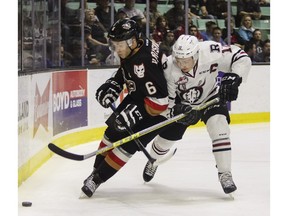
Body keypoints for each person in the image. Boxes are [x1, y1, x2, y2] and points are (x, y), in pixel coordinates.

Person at [142, 35, 252, 195]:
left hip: (210, 97)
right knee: (167, 140)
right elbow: (168, 103)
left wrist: (234, 76)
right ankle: (153, 161)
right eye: (178, 60)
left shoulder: (210, 51)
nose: (181, 64)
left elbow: (241, 57)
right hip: (183, 105)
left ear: (195, 55)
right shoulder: (169, 67)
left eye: (185, 60)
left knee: (219, 128)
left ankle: (225, 173)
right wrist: (177, 110)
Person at [81, 18, 170, 198]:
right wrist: (115, 83)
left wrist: (136, 113)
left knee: (127, 146)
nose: (117, 49)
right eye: (115, 44)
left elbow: (161, 103)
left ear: (132, 41)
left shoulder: (146, 63)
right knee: (112, 132)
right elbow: (128, 70)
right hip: (141, 97)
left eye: (120, 44)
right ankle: (94, 172)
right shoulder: (137, 45)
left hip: (159, 110)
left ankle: (97, 179)